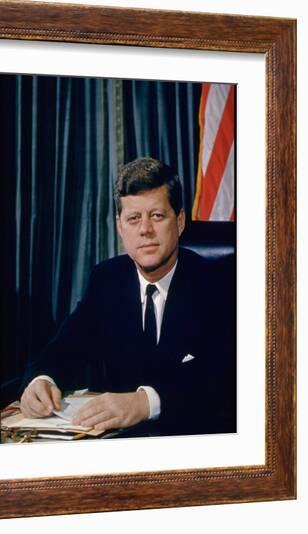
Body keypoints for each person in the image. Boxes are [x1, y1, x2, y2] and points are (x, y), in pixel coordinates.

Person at [19, 157, 236, 436]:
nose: (144, 229)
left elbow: (225, 377)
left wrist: (145, 402)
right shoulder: (106, 280)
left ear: (180, 222)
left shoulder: (219, 284)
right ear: (121, 227)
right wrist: (41, 380)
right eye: (134, 219)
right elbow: (63, 348)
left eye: (157, 216)